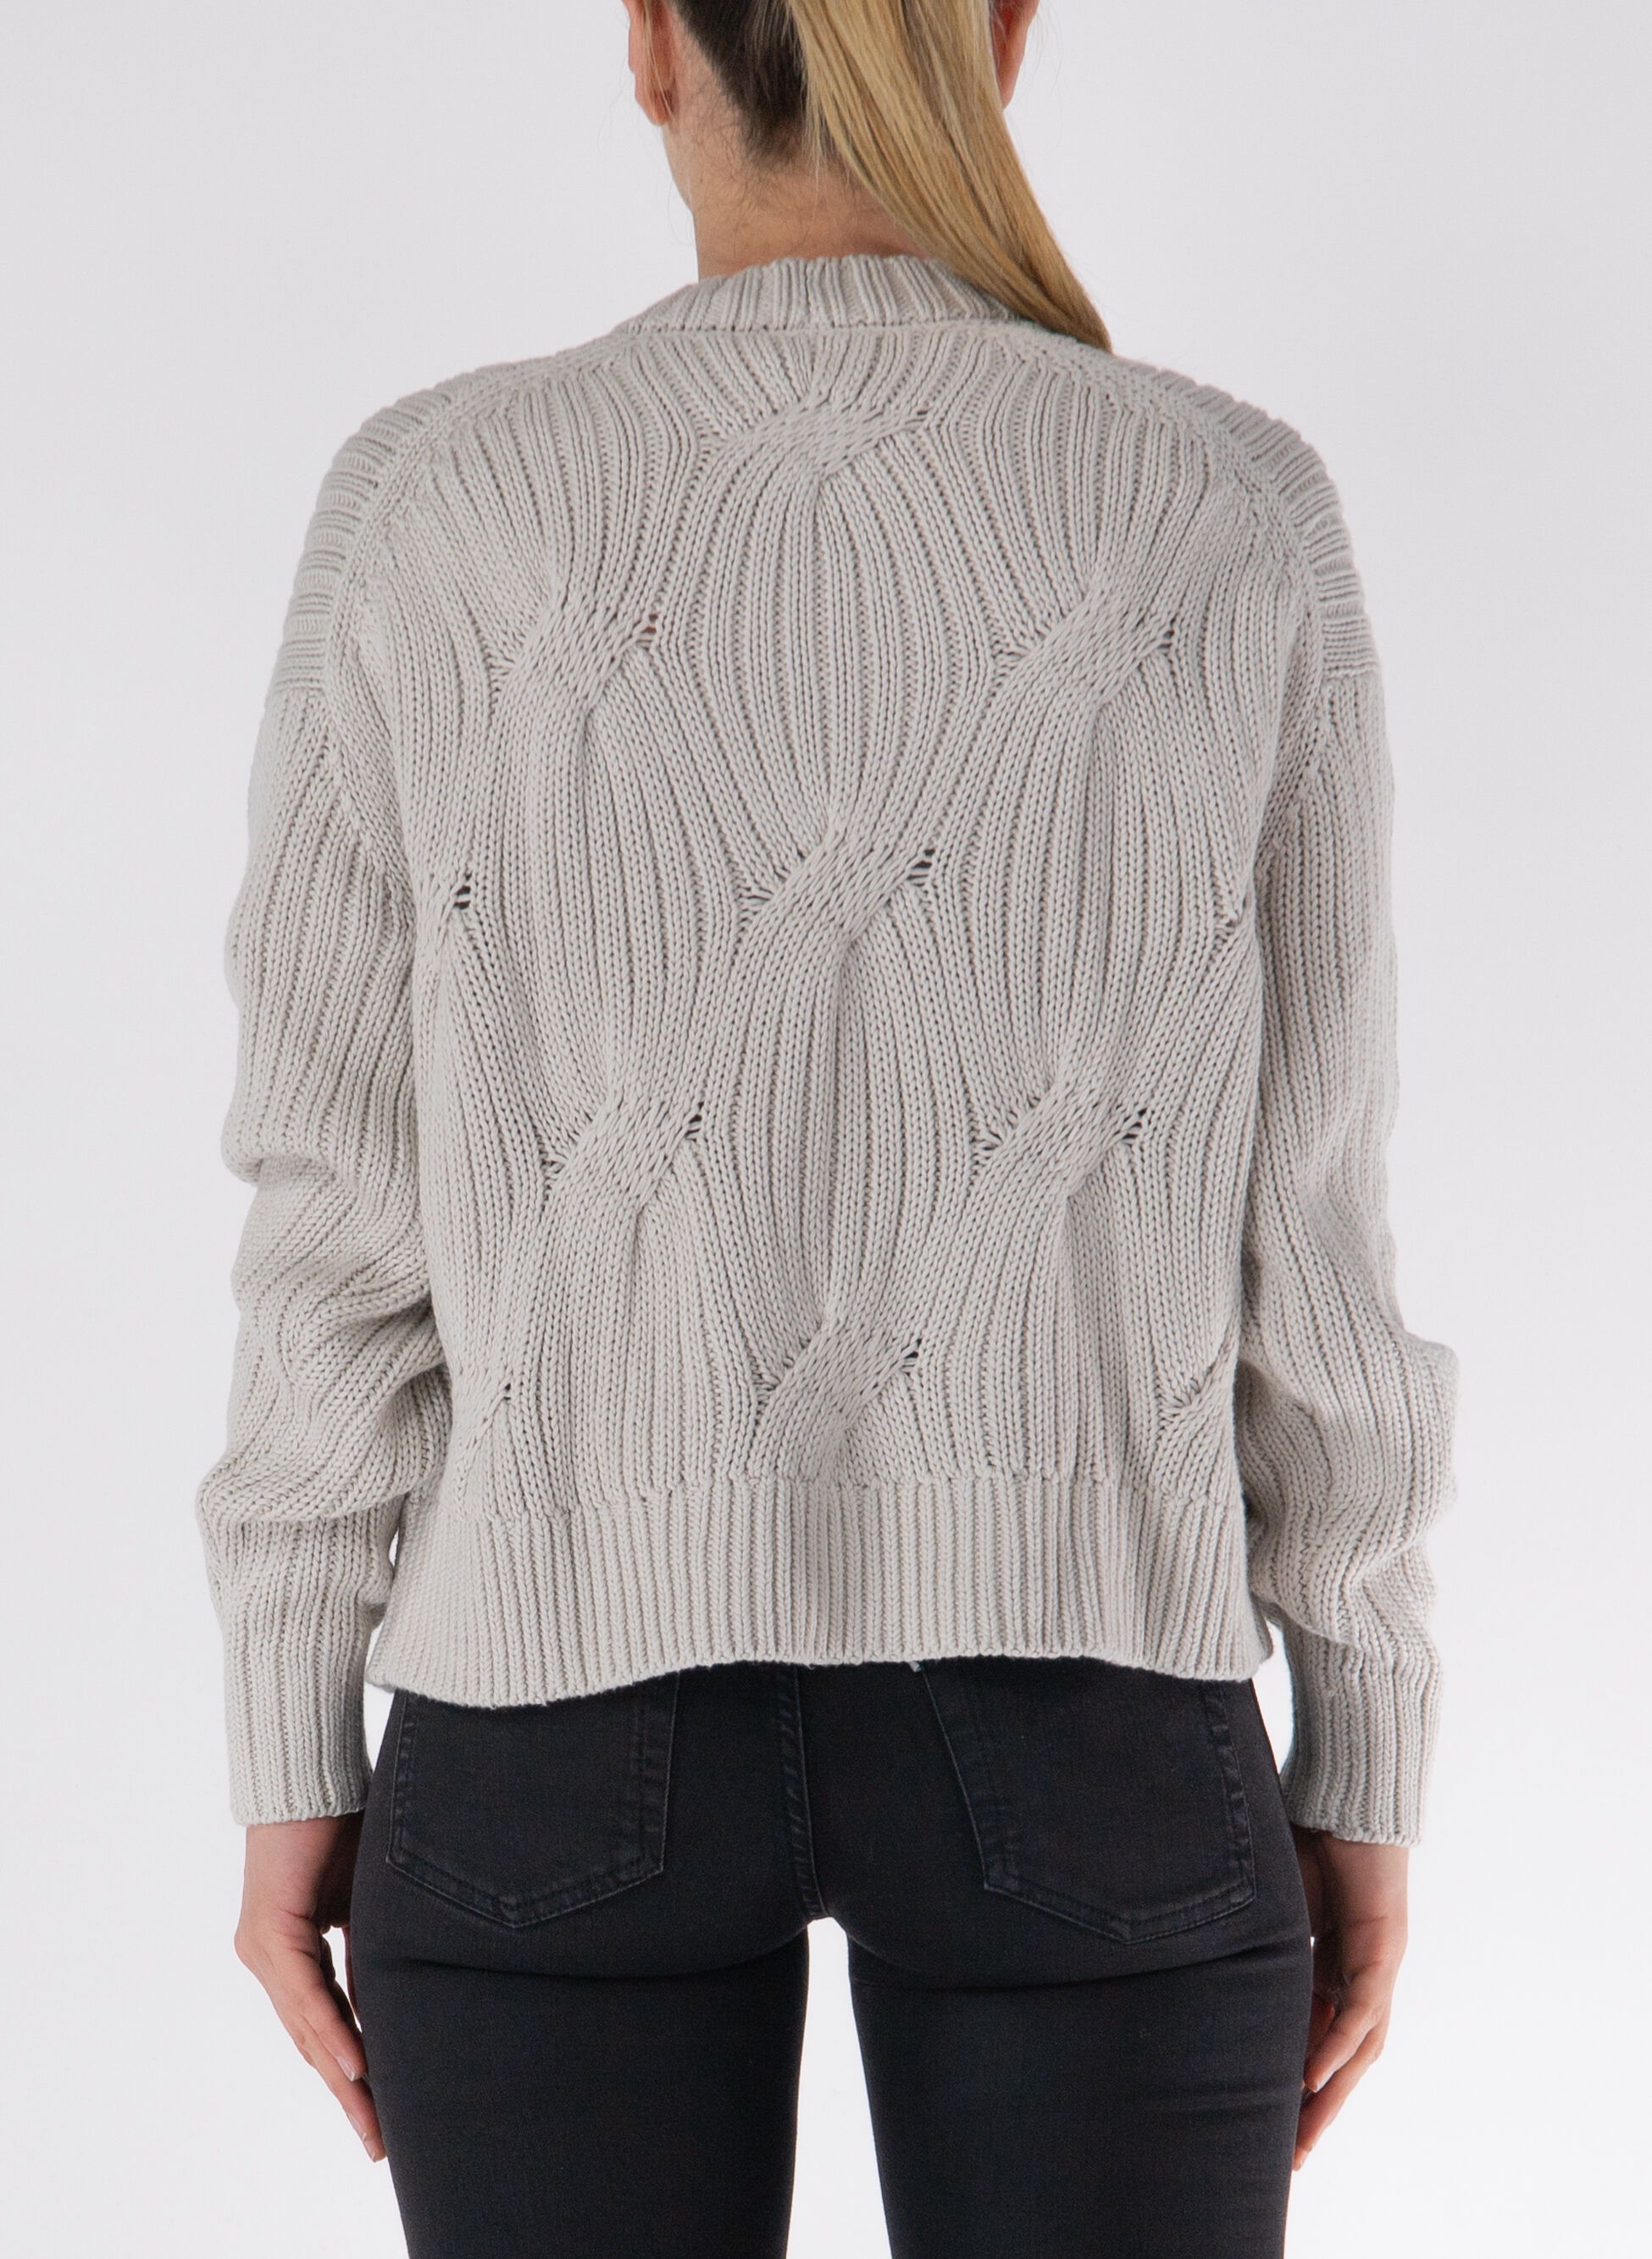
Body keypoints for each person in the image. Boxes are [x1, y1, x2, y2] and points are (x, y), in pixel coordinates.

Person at [197, 3, 1458, 2253]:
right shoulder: (1222, 500)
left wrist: (291, 1735)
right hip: (1098, 1719)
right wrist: (1363, 1736)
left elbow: (338, 1195)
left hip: (544, 1715)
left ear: (649, 42)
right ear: (1001, 34)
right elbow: (1313, 1221)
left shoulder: (440, 499)